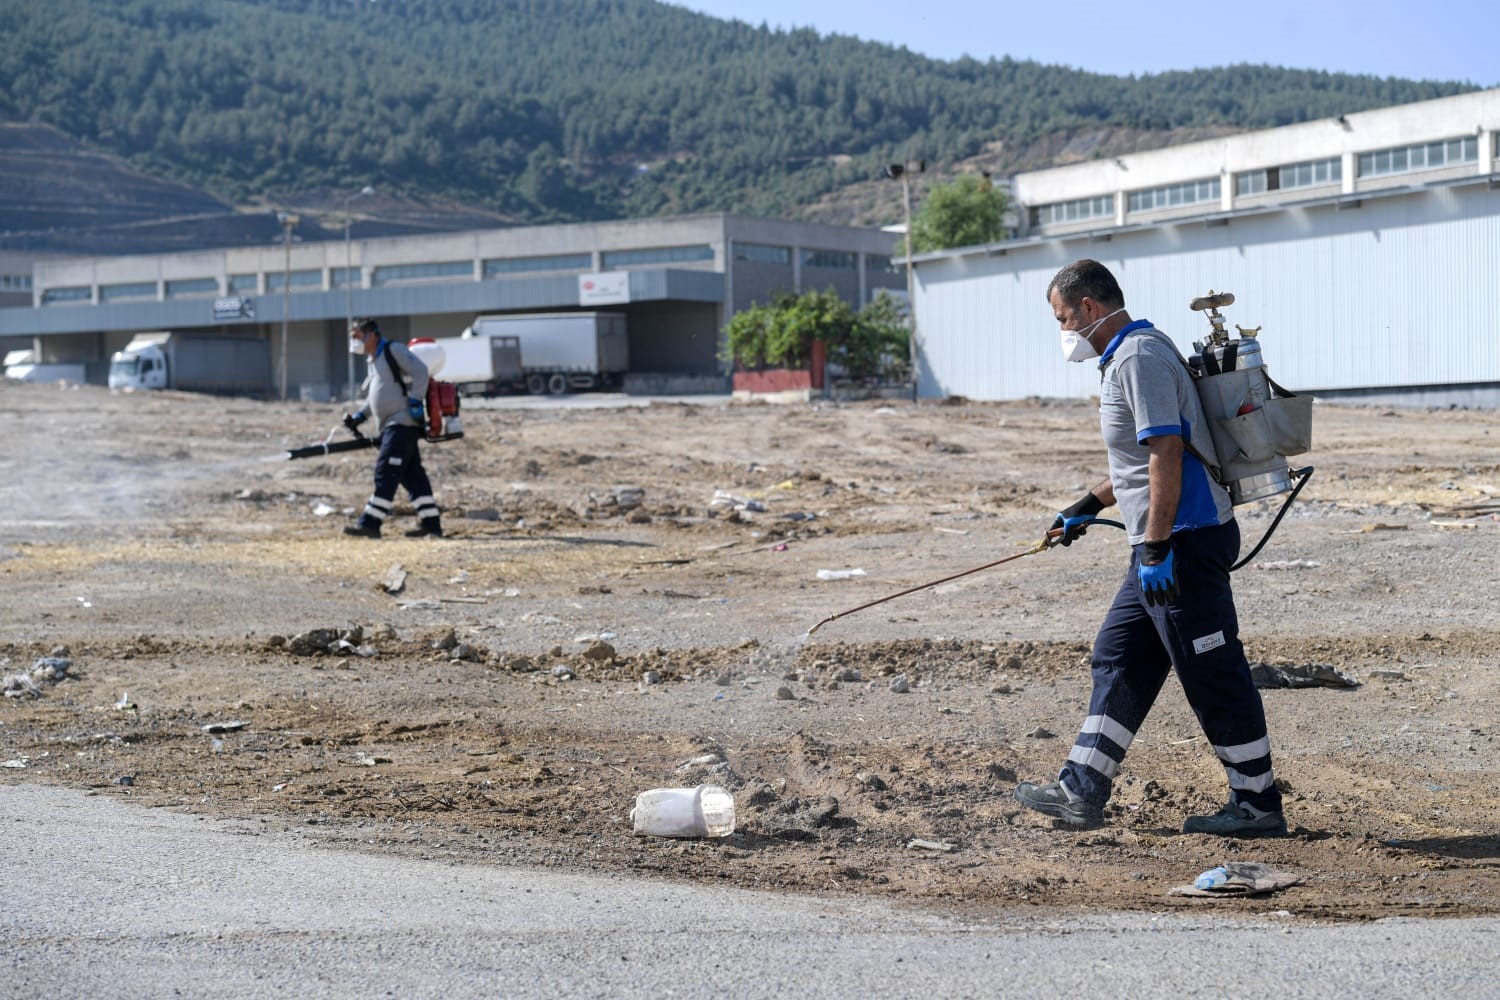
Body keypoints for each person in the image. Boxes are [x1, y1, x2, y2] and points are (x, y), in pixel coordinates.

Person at [1013, 259, 1285, 837]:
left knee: (1212, 672)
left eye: (1064, 319)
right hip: (1159, 545)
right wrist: (1088, 504)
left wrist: (1157, 548)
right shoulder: (1128, 357)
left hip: (1181, 543)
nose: (1064, 332)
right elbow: (1143, 460)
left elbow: (1166, 453)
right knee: (1118, 655)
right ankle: (1079, 789)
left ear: (1089, 308)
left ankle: (1258, 805)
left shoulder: (1137, 358)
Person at [341, 318, 443, 539]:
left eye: (357, 335)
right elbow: (375, 395)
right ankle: (431, 524)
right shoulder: (373, 360)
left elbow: (420, 371)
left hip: (402, 423)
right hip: (390, 426)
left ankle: (370, 523)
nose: (354, 341)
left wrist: (415, 400)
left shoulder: (392, 350)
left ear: (372, 334)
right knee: (412, 475)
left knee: (386, 471)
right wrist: (360, 416)